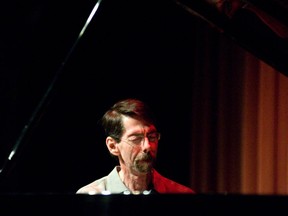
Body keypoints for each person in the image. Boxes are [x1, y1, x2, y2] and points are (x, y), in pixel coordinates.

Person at [76, 98, 195, 194]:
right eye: (136, 139)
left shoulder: (181, 196)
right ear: (113, 146)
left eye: (152, 137)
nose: (147, 146)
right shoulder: (90, 197)